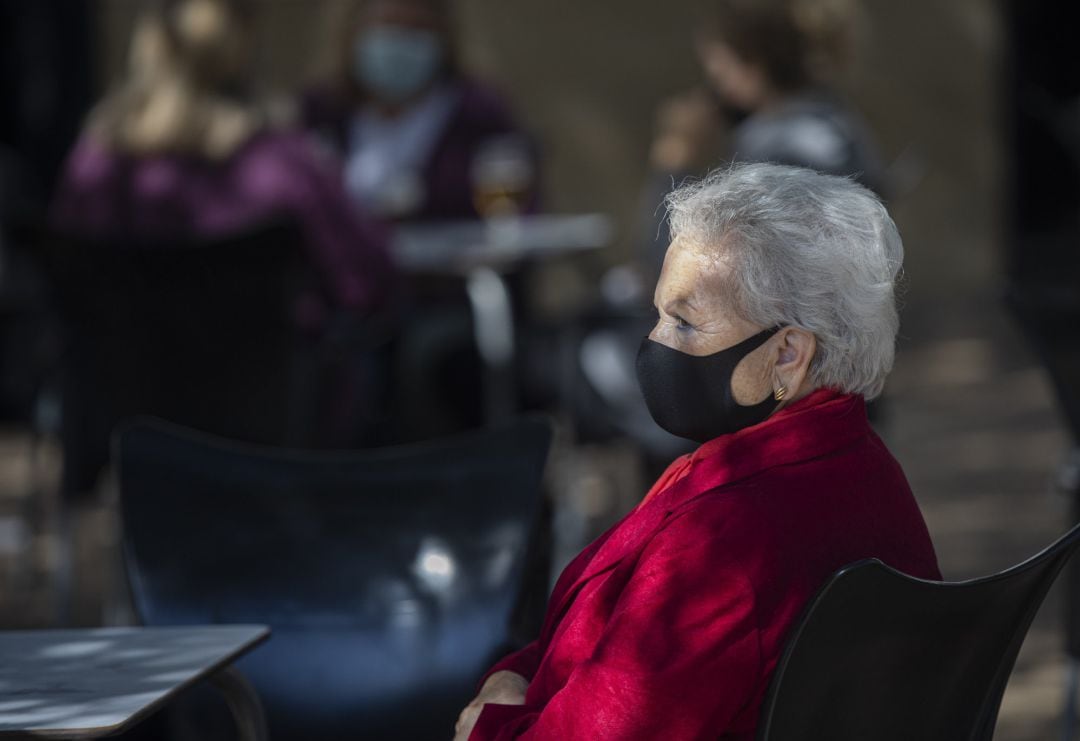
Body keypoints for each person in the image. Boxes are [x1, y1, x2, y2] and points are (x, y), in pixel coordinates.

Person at [454, 163, 940, 741]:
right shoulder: (859, 463)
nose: (654, 344)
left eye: (684, 322)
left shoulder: (724, 541)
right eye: (658, 313)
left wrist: (492, 723)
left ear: (788, 354)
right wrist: (513, 682)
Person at [51, 0, 396, 323]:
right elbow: (364, 284)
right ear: (245, 44)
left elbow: (59, 287)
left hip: (110, 382)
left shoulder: (94, 162)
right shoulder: (283, 164)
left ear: (149, 42)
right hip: (265, 381)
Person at [645, 0, 883, 276]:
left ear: (752, 65)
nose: (715, 86)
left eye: (720, 72)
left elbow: (679, 267)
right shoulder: (837, 121)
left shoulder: (774, 148)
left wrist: (675, 158)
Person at [301, 0, 537, 222]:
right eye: (390, 24)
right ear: (355, 30)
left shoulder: (480, 114)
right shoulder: (322, 111)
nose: (401, 41)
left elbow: (515, 215)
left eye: (417, 28)